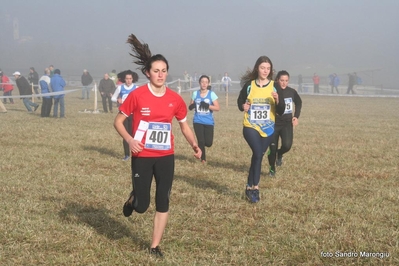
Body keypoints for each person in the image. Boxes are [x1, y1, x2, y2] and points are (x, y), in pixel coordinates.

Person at [114, 33, 201, 258]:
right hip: (142, 155)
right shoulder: (137, 95)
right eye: (156, 71)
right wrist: (130, 140)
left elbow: (183, 126)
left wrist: (194, 144)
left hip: (165, 156)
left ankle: (154, 246)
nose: (160, 74)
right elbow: (118, 121)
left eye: (163, 70)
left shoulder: (175, 99)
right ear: (147, 73)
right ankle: (134, 198)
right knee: (142, 206)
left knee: (163, 199)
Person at [237, 56, 285, 203]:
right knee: (258, 153)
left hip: (268, 128)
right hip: (250, 126)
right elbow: (240, 101)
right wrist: (243, 106)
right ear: (257, 68)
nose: (265, 71)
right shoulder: (249, 85)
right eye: (263, 68)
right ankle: (255, 188)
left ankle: (248, 185)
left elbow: (281, 110)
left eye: (268, 68)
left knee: (258, 156)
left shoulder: (274, 86)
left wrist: (278, 100)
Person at [267, 70, 302, 177]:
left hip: (287, 123)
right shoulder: (271, 91)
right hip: (273, 123)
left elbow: (299, 102)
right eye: (282, 80)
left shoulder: (291, 92)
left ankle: (280, 153)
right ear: (277, 80)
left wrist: (296, 116)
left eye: (286, 81)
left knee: (287, 146)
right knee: (272, 148)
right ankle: (272, 168)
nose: (284, 83)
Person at [188, 75, 220, 163]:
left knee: (208, 143)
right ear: (199, 83)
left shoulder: (211, 94)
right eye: (202, 82)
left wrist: (208, 106)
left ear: (208, 83)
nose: (204, 84)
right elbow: (190, 106)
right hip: (197, 121)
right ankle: (203, 159)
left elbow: (217, 108)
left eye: (206, 82)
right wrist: (192, 106)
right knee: (201, 140)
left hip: (209, 122)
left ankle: (202, 148)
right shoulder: (195, 93)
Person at [112, 70, 139, 161]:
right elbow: (113, 98)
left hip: (134, 114)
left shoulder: (136, 88)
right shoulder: (120, 88)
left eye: (130, 79)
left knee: (135, 134)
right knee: (126, 134)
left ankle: (136, 153)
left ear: (133, 79)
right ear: (124, 79)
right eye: (127, 79)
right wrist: (117, 100)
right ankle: (127, 155)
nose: (128, 80)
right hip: (124, 114)